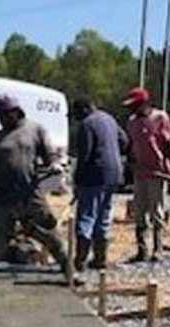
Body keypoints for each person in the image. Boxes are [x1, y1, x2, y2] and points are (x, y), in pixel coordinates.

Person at [0, 95, 75, 285]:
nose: (0, 118)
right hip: (3, 198)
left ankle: (70, 272)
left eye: (4, 114)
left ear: (16, 113)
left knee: (51, 234)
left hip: (30, 195)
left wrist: (54, 164)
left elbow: (50, 155)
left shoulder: (35, 130)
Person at [69, 97, 128, 273]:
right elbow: (124, 141)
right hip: (114, 174)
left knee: (86, 216)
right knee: (103, 215)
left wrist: (78, 181)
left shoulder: (87, 124)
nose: (76, 118)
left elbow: (84, 155)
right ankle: (100, 259)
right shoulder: (109, 118)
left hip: (94, 175)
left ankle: (79, 261)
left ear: (85, 109)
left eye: (77, 114)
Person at [122, 87, 170, 263]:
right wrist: (129, 167)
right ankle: (141, 249)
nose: (132, 109)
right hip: (140, 172)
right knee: (139, 211)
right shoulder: (132, 122)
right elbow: (131, 145)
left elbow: (168, 145)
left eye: (134, 105)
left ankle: (158, 249)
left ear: (144, 103)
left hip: (157, 171)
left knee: (156, 211)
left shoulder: (160, 118)